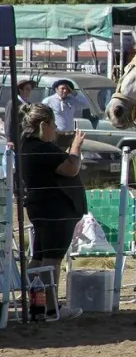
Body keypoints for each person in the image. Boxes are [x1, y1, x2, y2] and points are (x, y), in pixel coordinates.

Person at [19, 103, 85, 320]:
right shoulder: (43, 148)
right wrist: (76, 146)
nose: (55, 129)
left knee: (39, 258)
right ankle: (51, 308)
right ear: (43, 124)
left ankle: (37, 306)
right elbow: (71, 168)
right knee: (52, 260)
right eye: (53, 124)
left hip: (41, 207)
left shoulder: (28, 147)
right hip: (55, 209)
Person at [5, 78, 37, 147]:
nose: (29, 91)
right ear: (20, 89)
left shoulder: (29, 104)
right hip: (16, 139)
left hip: (26, 138)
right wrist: (9, 139)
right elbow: (8, 121)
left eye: (30, 89)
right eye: (27, 89)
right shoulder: (13, 103)